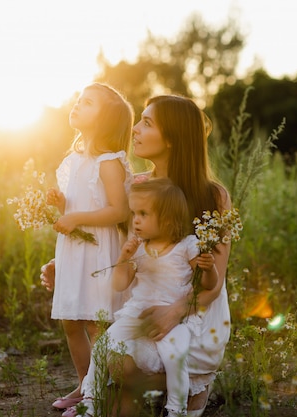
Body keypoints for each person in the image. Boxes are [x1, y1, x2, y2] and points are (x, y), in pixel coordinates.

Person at [41, 94, 231, 417]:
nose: (136, 130)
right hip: (147, 301)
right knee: (115, 369)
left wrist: (175, 312)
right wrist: (66, 265)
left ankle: (193, 383)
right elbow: (120, 248)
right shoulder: (138, 186)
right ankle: (149, 387)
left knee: (160, 360)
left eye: (147, 123)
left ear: (172, 139)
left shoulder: (213, 195)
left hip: (195, 311)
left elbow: (216, 281)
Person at [76, 178, 218, 417]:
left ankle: (176, 408)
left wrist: (209, 268)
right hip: (136, 314)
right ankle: (90, 398)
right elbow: (120, 284)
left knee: (176, 358)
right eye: (133, 213)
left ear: (169, 219)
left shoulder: (187, 245)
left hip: (175, 319)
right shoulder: (140, 248)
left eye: (143, 213)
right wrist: (124, 257)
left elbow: (208, 285)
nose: (136, 220)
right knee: (102, 345)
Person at [46, 82, 134, 414]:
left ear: (105, 119)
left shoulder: (109, 161)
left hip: (99, 250)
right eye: (78, 100)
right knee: (71, 320)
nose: (77, 105)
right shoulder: (74, 158)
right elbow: (79, 204)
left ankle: (99, 392)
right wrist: (61, 205)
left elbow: (118, 210)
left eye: (87, 103)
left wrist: (76, 216)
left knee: (97, 323)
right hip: (74, 249)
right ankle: (84, 383)